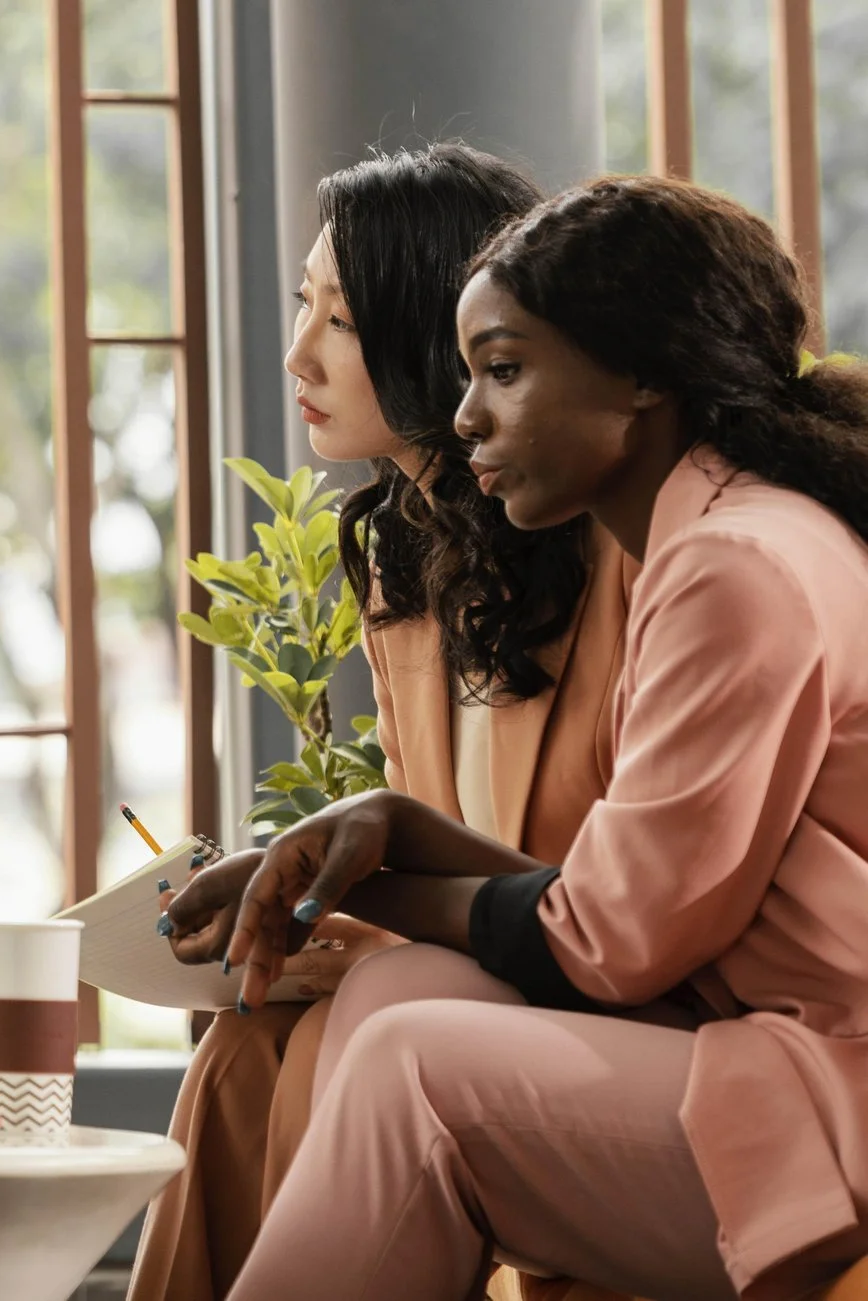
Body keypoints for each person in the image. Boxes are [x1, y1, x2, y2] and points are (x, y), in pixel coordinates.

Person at [186, 176, 868, 1300]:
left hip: (826, 1093)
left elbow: (609, 943)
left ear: (644, 376)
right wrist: (391, 831)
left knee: (419, 1068)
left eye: (502, 370)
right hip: (768, 1047)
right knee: (394, 1000)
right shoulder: (737, 531)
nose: (464, 419)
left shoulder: (729, 566)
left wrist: (368, 873)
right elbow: (635, 910)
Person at [130, 143, 636, 1301]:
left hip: (617, 990)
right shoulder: (404, 566)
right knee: (248, 1041)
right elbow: (432, 854)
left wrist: (362, 915)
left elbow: (604, 899)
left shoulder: (613, 558)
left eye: (340, 320)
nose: (299, 351)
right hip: (490, 972)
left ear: (432, 331)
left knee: (360, 1015)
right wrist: (313, 922)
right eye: (303, 304)